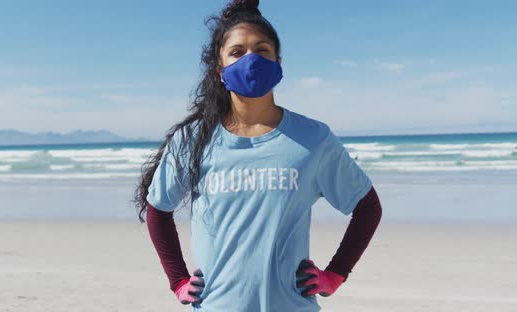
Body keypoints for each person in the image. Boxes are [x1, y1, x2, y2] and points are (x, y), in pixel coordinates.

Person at [133, 0, 382, 311]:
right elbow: (158, 209)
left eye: (262, 50)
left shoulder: (312, 139)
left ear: (278, 62)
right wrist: (178, 281)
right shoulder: (193, 140)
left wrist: (335, 275)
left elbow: (367, 207)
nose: (251, 59)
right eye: (237, 52)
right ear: (221, 70)